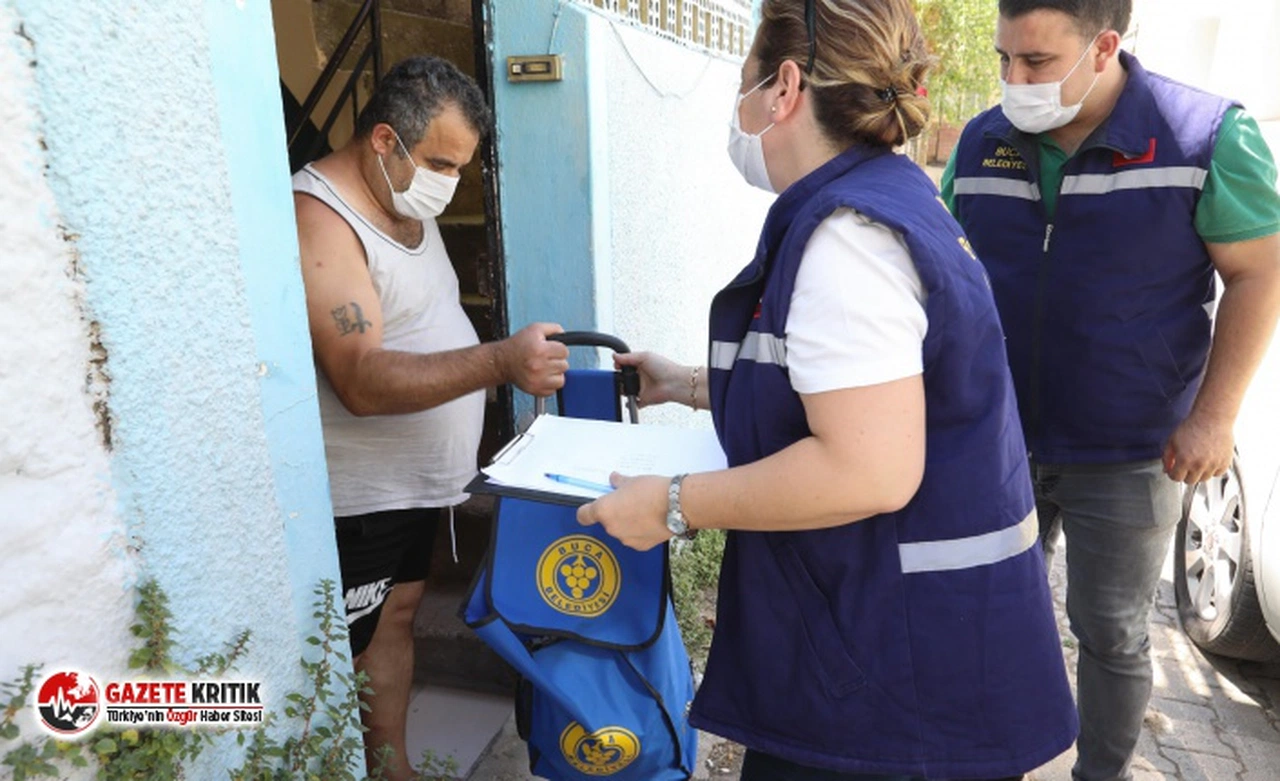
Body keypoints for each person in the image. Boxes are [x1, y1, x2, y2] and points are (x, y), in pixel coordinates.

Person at [575, 1, 1079, 778]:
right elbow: (849, 387)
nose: (737, 108)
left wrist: (671, 504)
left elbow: (866, 468)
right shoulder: (887, 198)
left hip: (893, 691)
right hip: (911, 657)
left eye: (743, 82)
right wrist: (690, 383)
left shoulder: (850, 240)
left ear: (784, 87)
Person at [940, 1, 1280, 778]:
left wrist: (1214, 416)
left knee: (1112, 630)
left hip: (1130, 450)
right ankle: (987, 758)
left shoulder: (1204, 137)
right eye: (1003, 58)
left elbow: (1259, 273)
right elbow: (943, 264)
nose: (1014, 80)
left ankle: (1101, 772)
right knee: (988, 614)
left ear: (1104, 47)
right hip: (996, 440)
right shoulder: (983, 141)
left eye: (1035, 62)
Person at [292, 56, 569, 780]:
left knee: (399, 616)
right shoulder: (320, 218)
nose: (450, 181)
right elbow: (359, 378)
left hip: (410, 487)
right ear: (385, 140)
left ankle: (393, 768)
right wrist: (499, 361)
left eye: (461, 166)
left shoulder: (402, 197)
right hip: (359, 500)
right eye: (441, 163)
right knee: (348, 641)